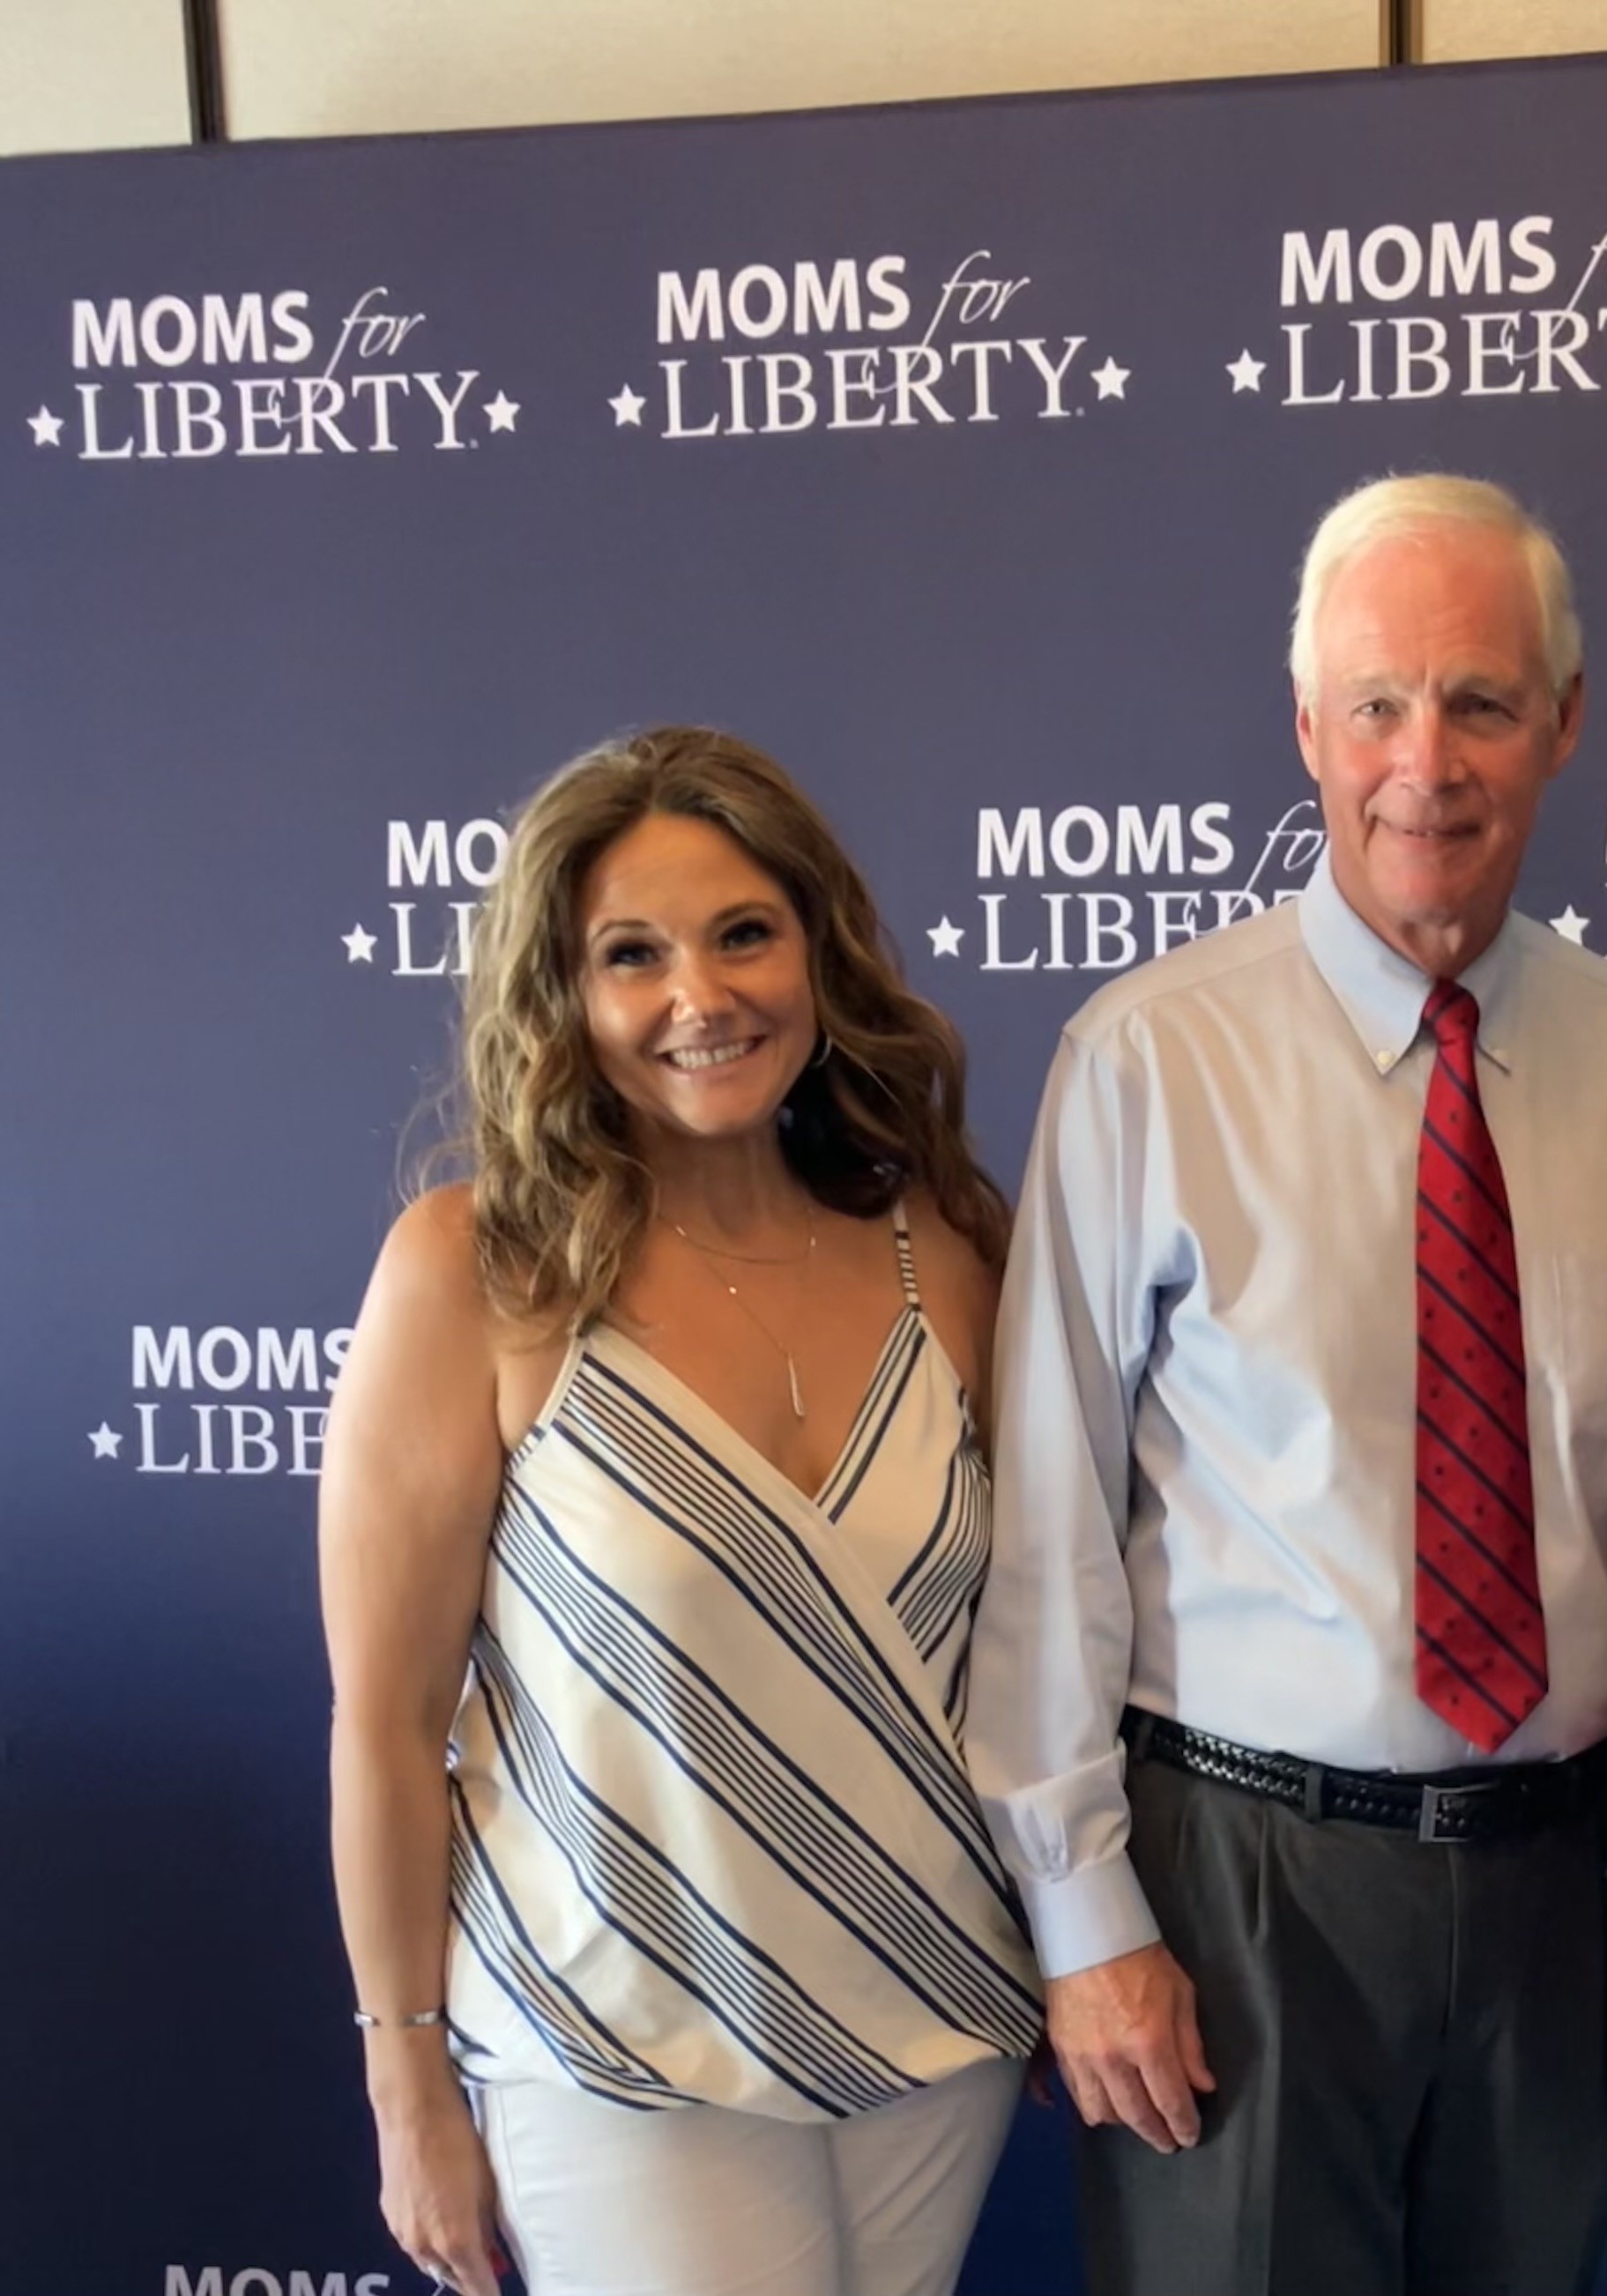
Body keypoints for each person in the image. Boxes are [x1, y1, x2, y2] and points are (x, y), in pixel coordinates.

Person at [965, 474, 1607, 2296]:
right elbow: (1047, 1516)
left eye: (1479, 702)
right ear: (1305, 726)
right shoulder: (1148, 1058)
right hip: (1242, 1892)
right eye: (1376, 703)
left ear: (1565, 720)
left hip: (1560, 1889)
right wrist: (1081, 1916)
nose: (1422, 762)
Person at [318, 727, 1041, 2296]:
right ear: (561, 996)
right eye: (630, 953)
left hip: (937, 2019)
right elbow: (386, 1726)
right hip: (612, 2041)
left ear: (819, 949)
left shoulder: (943, 1250)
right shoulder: (474, 1271)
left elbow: (1029, 1655)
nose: (700, 997)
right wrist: (405, 2080)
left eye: (743, 933)